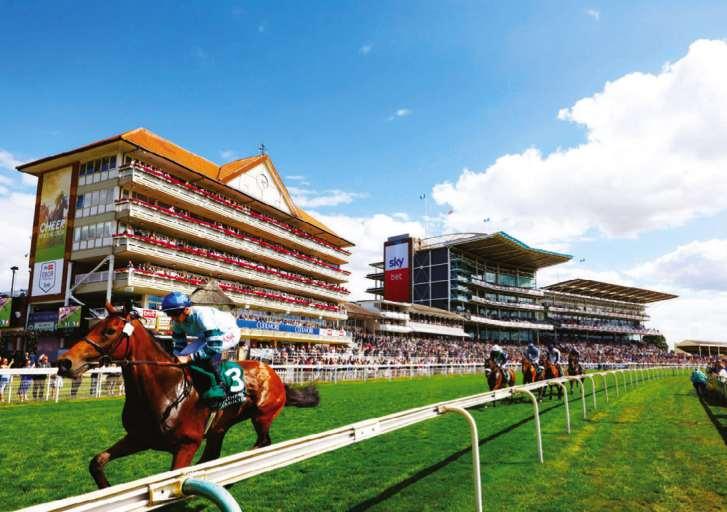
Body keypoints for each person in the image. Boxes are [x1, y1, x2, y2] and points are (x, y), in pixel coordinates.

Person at [161, 291, 240, 403]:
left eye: (174, 313)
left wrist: (189, 358)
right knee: (183, 355)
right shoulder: (176, 323)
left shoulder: (202, 316)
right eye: (169, 314)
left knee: (204, 354)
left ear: (186, 309)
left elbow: (214, 346)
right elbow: (179, 347)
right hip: (207, 335)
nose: (172, 317)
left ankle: (219, 385)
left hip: (228, 331)